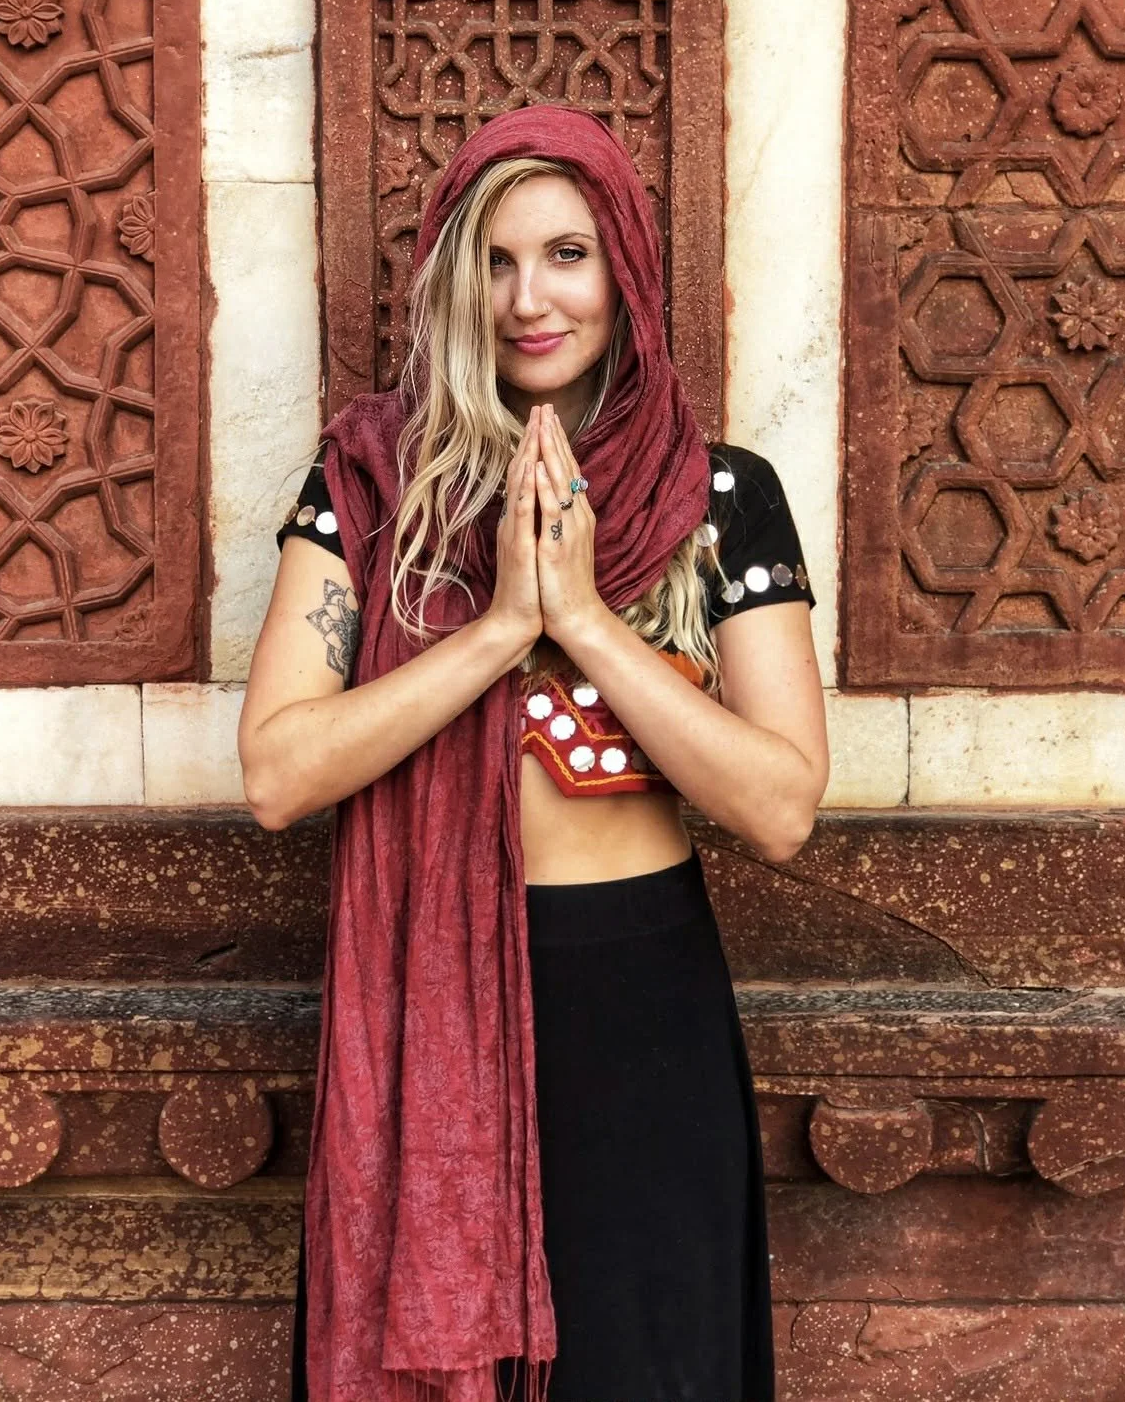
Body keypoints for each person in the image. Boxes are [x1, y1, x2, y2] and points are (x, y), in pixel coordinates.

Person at [238, 103, 829, 1402]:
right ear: (454, 279)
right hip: (425, 994)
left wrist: (581, 623)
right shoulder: (365, 491)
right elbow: (280, 773)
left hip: (638, 1007)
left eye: (566, 255)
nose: (528, 298)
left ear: (623, 269)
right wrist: (504, 623)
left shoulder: (718, 496)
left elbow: (779, 804)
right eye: (495, 261)